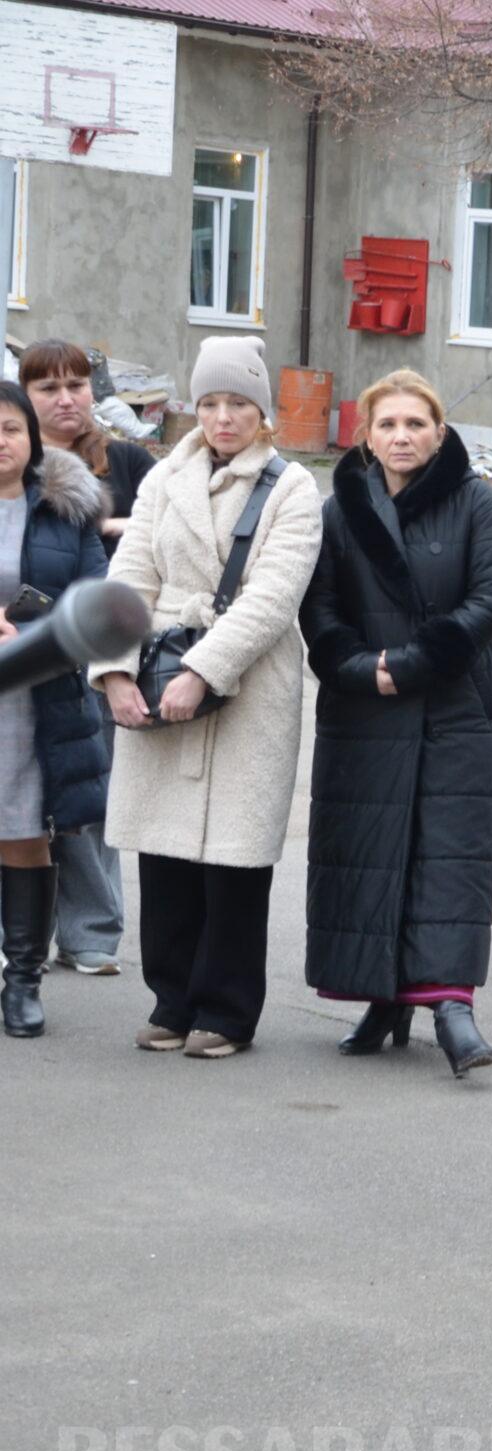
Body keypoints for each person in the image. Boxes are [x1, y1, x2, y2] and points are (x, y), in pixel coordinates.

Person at [90, 335, 325, 1059]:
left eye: (240, 404)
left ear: (262, 412)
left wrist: (203, 671)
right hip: (158, 666)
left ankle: (225, 1010)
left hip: (248, 685)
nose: (224, 417)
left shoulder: (293, 488)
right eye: (213, 402)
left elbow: (273, 599)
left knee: (232, 858)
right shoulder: (164, 479)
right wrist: (116, 671)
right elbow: (129, 575)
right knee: (162, 851)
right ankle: (171, 998)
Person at [300, 370, 492, 1076]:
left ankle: (452, 1003)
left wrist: (416, 662)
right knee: (371, 849)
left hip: (456, 704)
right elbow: (320, 608)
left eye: (415, 424)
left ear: (440, 433)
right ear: (365, 435)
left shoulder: (476, 502)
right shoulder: (342, 510)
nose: (402, 436)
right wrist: (365, 669)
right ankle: (380, 995)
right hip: (365, 708)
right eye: (387, 424)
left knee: (449, 851)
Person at [19, 339, 155, 976]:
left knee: (86, 797)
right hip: (24, 654)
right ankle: (24, 935)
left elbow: (164, 533)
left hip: (97, 655)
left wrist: (109, 529)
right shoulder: (13, 461)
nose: (67, 399)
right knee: (20, 800)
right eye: (49, 388)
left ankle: (92, 931)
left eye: (76, 385)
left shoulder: (124, 461)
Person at [0, 380, 110, 1037]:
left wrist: (28, 622)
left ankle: (22, 983)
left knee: (22, 838)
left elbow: (95, 595)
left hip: (32, 704)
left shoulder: (63, 509)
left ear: (31, 438)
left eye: (11, 428)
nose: (0, 441)